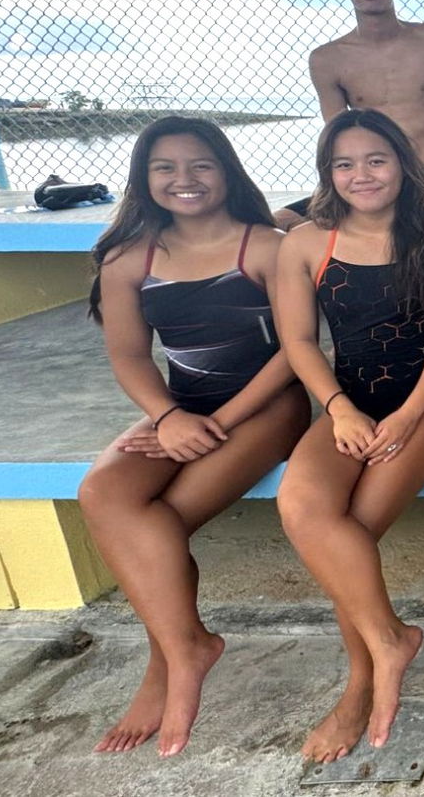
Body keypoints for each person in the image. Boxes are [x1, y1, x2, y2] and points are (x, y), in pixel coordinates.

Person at [78, 117, 310, 758]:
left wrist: (223, 422)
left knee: (163, 521)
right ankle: (187, 649)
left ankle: (171, 665)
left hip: (267, 406)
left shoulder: (265, 246)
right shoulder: (129, 257)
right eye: (166, 168)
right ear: (144, 180)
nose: (184, 180)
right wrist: (167, 416)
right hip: (180, 405)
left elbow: (296, 351)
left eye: (200, 165)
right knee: (103, 492)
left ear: (226, 170)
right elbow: (128, 355)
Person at [273, 109, 424, 761]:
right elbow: (299, 342)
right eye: (345, 163)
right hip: (347, 401)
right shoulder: (305, 241)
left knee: (351, 527)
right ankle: (389, 641)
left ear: (402, 164)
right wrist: (339, 409)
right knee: (301, 505)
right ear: (328, 172)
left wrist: (410, 414)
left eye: (376, 160)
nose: (362, 175)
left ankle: (359, 686)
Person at [273, 0, 424, 230]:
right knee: (279, 222)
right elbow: (337, 136)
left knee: (416, 224)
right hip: (367, 178)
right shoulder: (328, 58)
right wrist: (330, 192)